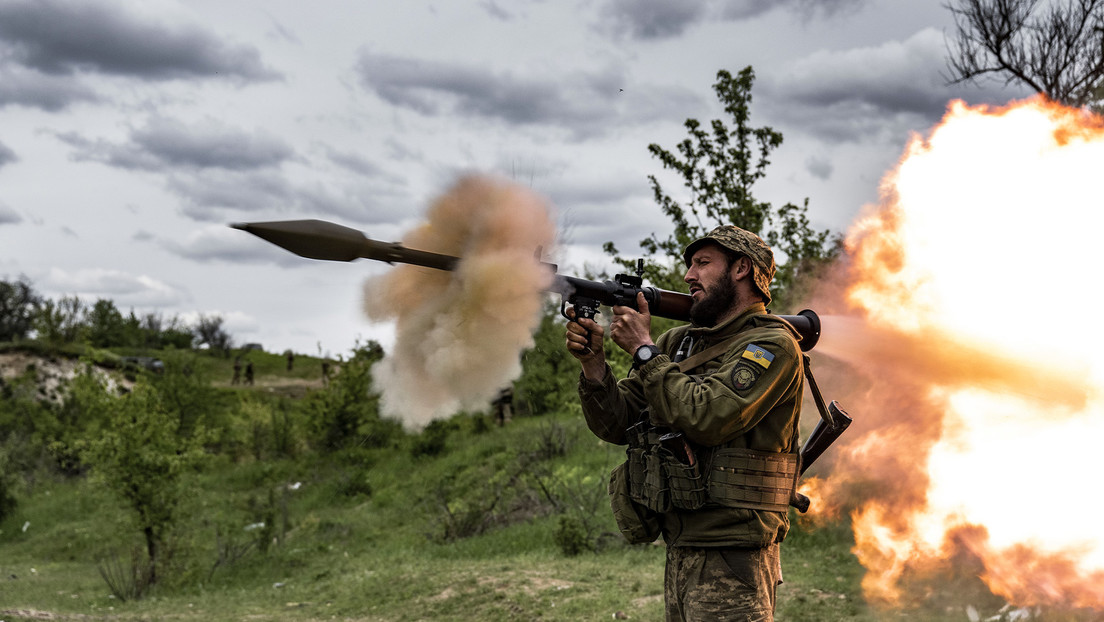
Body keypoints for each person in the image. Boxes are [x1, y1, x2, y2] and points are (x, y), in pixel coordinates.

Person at [564, 226, 805, 621]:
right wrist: (594, 365)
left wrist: (645, 351)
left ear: (742, 268)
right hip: (681, 543)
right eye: (689, 265)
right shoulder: (680, 343)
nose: (689, 275)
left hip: (734, 551)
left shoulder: (772, 346)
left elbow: (709, 416)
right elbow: (619, 424)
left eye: (702, 263)